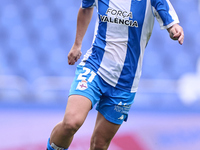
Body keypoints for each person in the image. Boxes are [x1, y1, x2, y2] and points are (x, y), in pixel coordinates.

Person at [47, 0, 184, 149]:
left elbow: (172, 24)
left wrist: (175, 30)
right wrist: (77, 44)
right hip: (95, 67)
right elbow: (86, 8)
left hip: (126, 81)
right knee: (71, 123)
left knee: (99, 144)